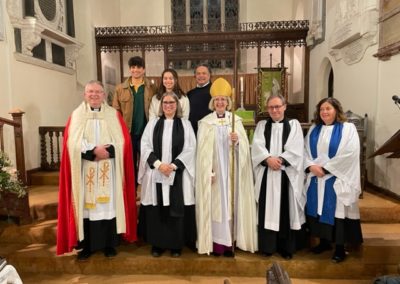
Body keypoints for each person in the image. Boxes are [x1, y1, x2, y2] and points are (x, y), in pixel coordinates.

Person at [57, 80, 137, 261]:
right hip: (86, 170)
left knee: (108, 205)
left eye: (98, 92)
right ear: (85, 95)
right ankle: (87, 246)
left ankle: (110, 244)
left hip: (109, 170)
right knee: (87, 207)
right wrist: (93, 151)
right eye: (90, 92)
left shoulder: (113, 115)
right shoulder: (77, 115)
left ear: (103, 95)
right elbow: (71, 142)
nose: (94, 95)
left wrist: (107, 152)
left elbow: (123, 141)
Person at [196, 77, 257, 256]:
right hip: (215, 173)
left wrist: (238, 142)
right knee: (216, 206)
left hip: (233, 173)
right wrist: (208, 171)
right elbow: (201, 153)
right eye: (217, 100)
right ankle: (217, 244)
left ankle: (231, 243)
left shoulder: (235, 121)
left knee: (232, 204)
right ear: (213, 103)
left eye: (223, 99)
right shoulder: (205, 123)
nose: (220, 102)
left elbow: (246, 149)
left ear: (228, 102)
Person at [304, 97, 363, 263]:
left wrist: (326, 168)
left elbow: (350, 153)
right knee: (319, 211)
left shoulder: (347, 128)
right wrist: (310, 166)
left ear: (336, 110)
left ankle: (339, 248)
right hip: (317, 178)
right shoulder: (314, 129)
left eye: (328, 108)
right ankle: (324, 243)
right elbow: (304, 151)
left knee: (337, 213)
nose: (324, 112)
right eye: (322, 109)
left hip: (337, 178)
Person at [138, 93, 196, 257]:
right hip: (156, 172)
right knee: (157, 209)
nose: (168, 105)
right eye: (165, 103)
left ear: (177, 105)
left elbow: (191, 148)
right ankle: (158, 244)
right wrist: (158, 164)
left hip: (177, 173)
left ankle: (176, 245)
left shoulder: (185, 124)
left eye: (172, 102)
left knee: (175, 206)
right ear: (161, 105)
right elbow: (145, 146)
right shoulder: (152, 124)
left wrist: (173, 166)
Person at [251, 94, 306, 260]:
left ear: (284, 106)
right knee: (266, 209)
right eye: (271, 107)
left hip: (285, 175)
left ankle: (286, 248)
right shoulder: (262, 125)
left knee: (285, 209)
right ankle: (268, 247)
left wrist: (280, 161)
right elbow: (257, 146)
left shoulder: (293, 125)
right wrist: (268, 159)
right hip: (267, 173)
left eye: (277, 106)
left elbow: (296, 148)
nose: (274, 110)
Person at [112, 56, 156, 184]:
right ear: (130, 69)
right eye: (133, 67)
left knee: (147, 162)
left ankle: (147, 192)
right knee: (129, 164)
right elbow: (116, 111)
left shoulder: (151, 87)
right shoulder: (120, 89)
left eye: (138, 67)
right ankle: (132, 191)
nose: (135, 70)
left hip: (146, 133)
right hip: (128, 133)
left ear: (144, 70)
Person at [187, 64, 212, 134]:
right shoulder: (190, 94)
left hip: (209, 131)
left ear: (209, 75)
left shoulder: (215, 91)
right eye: (198, 73)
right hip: (193, 131)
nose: (201, 76)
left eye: (204, 73)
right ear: (195, 76)